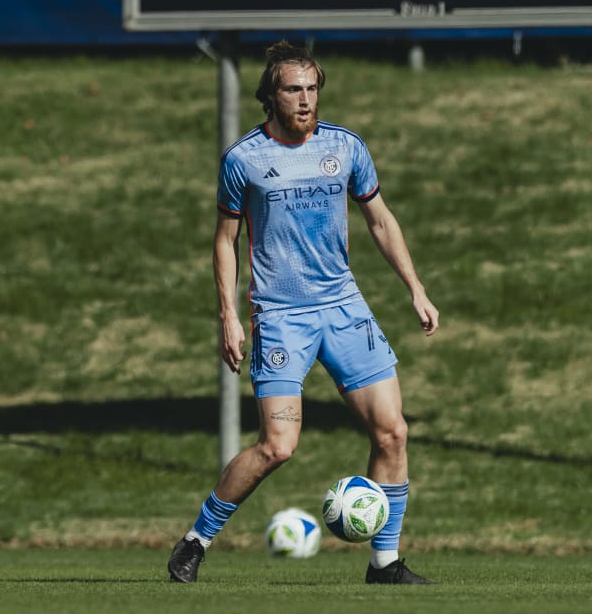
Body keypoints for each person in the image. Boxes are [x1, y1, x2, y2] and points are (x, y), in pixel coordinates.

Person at [168, 41, 440, 585]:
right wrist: (228, 314)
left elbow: (380, 221)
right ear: (270, 96)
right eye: (294, 89)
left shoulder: (345, 147)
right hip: (281, 317)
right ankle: (196, 539)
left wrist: (415, 287)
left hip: (343, 309)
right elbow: (226, 240)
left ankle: (383, 563)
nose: (306, 100)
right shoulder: (244, 159)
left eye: (313, 89)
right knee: (278, 447)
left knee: (393, 433)